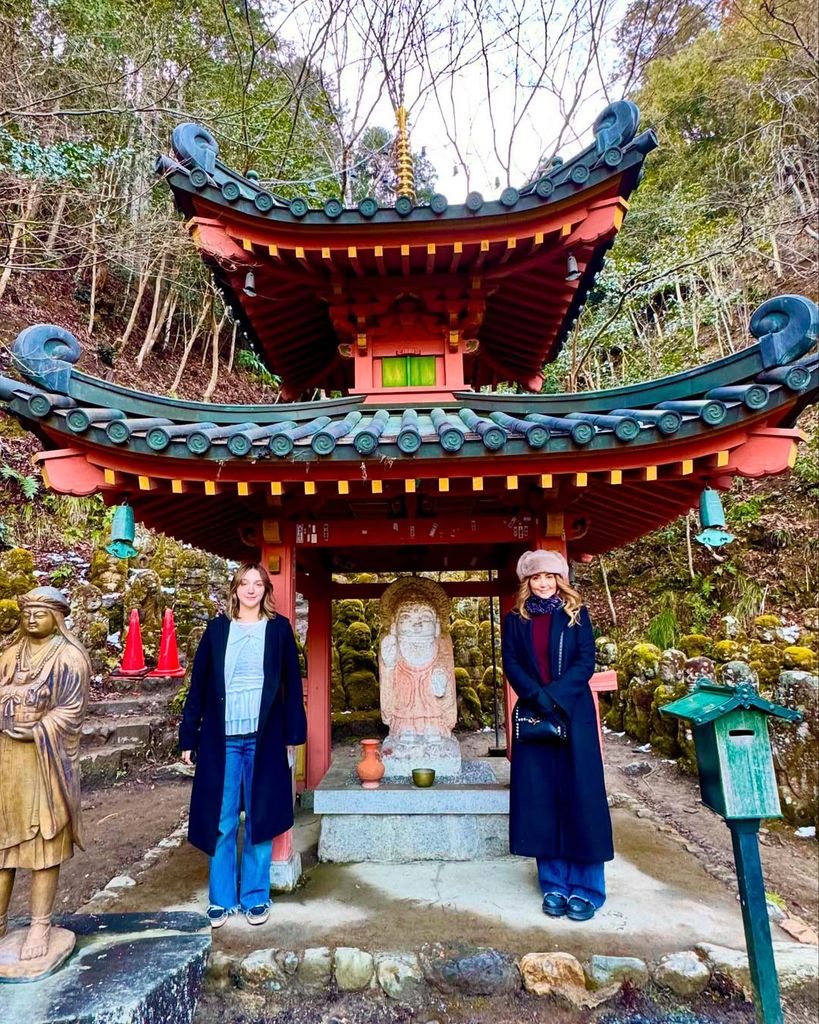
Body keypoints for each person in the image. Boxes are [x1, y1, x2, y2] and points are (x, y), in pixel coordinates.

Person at [180, 562, 306, 928]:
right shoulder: (218, 631)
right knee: (221, 820)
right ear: (234, 590)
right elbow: (200, 685)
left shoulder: (279, 630)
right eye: (244, 583)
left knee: (260, 818)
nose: (251, 589)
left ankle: (254, 896)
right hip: (222, 738)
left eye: (258, 584)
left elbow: (290, 686)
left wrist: (292, 738)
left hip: (263, 737)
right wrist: (189, 734)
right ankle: (221, 898)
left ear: (266, 591)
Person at [501, 550, 613, 922]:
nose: (543, 583)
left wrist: (556, 696)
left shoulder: (577, 615)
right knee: (541, 799)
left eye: (550, 576)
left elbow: (585, 661)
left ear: (561, 579)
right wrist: (537, 697)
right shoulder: (515, 620)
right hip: (535, 717)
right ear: (527, 582)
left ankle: (588, 886)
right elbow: (512, 663)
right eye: (536, 577)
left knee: (580, 796)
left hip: (573, 712)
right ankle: (553, 882)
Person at [0, 587, 91, 961]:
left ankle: (40, 923)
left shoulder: (69, 657)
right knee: (3, 846)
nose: (32, 617)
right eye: (28, 612)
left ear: (58, 617)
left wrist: (38, 728)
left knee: (43, 843)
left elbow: (72, 711)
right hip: (6, 759)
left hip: (44, 760)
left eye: (41, 611)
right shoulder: (8, 656)